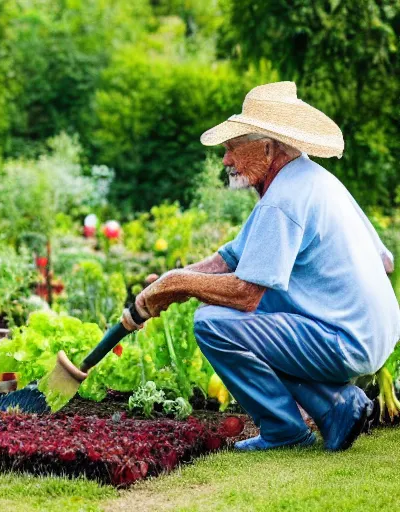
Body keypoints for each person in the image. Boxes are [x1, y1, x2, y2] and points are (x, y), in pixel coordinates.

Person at [121, 81, 400, 451]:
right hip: (374, 332)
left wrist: (178, 283)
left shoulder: (282, 200)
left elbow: (246, 294)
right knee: (238, 315)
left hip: (346, 341)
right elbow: (230, 259)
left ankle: (285, 430)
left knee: (214, 323)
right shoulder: (317, 181)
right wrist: (171, 282)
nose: (225, 160)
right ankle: (336, 407)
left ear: (266, 147)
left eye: (232, 148)